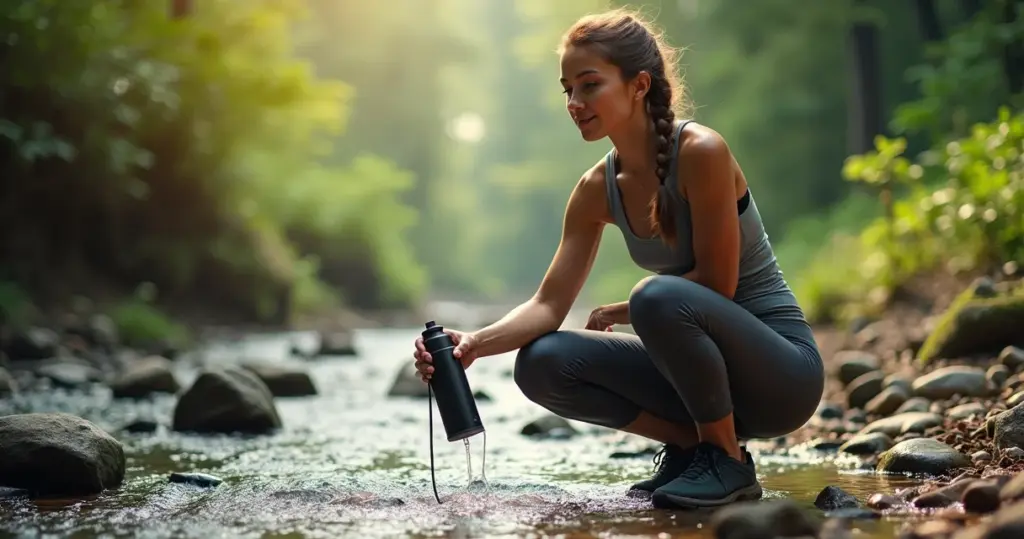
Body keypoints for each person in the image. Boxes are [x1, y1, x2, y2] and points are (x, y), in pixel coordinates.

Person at [412, 8, 824, 510]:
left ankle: (727, 463)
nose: (575, 101)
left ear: (638, 85)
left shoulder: (702, 151)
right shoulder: (593, 190)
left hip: (781, 375)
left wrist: (628, 309)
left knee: (655, 296)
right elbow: (547, 305)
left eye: (590, 85)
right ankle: (693, 445)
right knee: (542, 362)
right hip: (698, 375)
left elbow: (717, 284)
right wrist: (473, 345)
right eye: (567, 89)